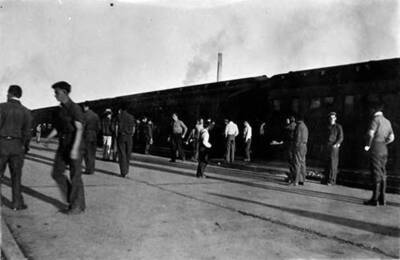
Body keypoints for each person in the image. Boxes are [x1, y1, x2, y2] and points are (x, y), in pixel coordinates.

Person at [44, 81, 85, 214]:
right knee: (56, 173)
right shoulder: (60, 110)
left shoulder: (75, 108)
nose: (55, 95)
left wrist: (74, 149)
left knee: (75, 175)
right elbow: (58, 127)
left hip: (74, 143)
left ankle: (76, 206)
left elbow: (79, 129)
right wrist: (49, 137)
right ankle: (75, 200)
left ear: (65, 92)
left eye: (57, 92)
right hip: (63, 144)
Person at [0, 85, 32, 210]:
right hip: (17, 146)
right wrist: (23, 146)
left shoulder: (1, 107)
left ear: (9, 94)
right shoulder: (26, 111)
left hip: (1, 144)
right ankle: (16, 204)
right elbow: (27, 133)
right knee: (16, 176)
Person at [363, 103, 395, 206]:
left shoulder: (375, 119)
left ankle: (374, 199)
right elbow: (392, 137)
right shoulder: (387, 121)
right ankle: (382, 199)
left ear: (374, 109)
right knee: (383, 172)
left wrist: (368, 145)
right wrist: (384, 143)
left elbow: (370, 133)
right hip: (384, 148)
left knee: (376, 172)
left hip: (376, 147)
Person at [323, 112, 344, 185]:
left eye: (333, 118)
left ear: (335, 118)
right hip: (327, 146)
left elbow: (341, 137)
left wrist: (337, 144)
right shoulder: (327, 126)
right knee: (327, 163)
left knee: (333, 164)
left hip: (334, 146)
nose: (332, 119)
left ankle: (331, 180)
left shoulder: (338, 127)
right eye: (330, 118)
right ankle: (326, 179)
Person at [116, 103, 135, 177]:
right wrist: (131, 134)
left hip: (122, 136)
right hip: (129, 137)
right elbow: (133, 129)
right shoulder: (131, 117)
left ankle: (123, 172)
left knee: (122, 154)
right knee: (128, 154)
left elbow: (116, 127)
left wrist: (117, 135)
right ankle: (126, 170)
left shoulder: (119, 116)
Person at [82, 102, 100, 175]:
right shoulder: (96, 115)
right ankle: (92, 169)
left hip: (86, 135)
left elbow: (82, 127)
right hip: (94, 135)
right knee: (92, 153)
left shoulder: (84, 115)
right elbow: (99, 127)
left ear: (86, 107)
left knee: (87, 153)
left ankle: (88, 169)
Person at [292, 115, 308, 186]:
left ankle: (296, 180)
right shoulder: (305, 126)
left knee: (297, 163)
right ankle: (302, 180)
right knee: (302, 163)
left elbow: (298, 137)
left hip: (299, 146)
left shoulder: (299, 126)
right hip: (304, 146)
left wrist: (295, 147)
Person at [285, 116, 297, 183]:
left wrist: (287, 123)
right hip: (292, 144)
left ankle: (292, 177)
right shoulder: (295, 125)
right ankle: (292, 176)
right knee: (292, 161)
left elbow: (286, 128)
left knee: (291, 160)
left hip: (291, 144)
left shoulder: (292, 125)